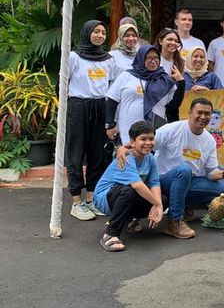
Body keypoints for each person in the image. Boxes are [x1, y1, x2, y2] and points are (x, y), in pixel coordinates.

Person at [119, 98, 224, 239]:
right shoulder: (172, 129)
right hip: (160, 181)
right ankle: (174, 221)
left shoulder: (209, 140)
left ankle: (183, 205)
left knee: (222, 188)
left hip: (186, 182)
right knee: (184, 170)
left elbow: (211, 172)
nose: (203, 117)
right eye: (199, 112)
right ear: (189, 112)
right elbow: (145, 143)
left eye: (207, 114)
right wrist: (124, 147)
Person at [66, 20, 119, 221]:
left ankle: (90, 199)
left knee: (98, 154)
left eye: (103, 32)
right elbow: (63, 84)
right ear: (87, 33)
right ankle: (76, 202)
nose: (99, 35)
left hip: (100, 107)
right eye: (96, 32)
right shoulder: (74, 57)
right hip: (78, 106)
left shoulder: (108, 59)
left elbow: (112, 85)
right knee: (76, 153)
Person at [93, 121, 165, 252]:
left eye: (151, 139)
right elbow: (137, 185)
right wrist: (158, 205)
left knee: (163, 199)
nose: (148, 142)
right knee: (129, 190)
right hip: (104, 198)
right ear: (132, 142)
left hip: (124, 195)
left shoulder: (150, 158)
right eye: (143, 139)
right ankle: (111, 234)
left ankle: (128, 220)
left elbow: (154, 183)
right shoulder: (126, 158)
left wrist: (158, 204)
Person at [106, 46, 185, 144]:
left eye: (156, 58)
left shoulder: (165, 80)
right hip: (128, 126)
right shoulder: (126, 76)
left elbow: (174, 105)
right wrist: (110, 125)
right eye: (149, 58)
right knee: (128, 155)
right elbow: (112, 100)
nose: (153, 61)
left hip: (155, 129)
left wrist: (181, 83)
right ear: (141, 58)